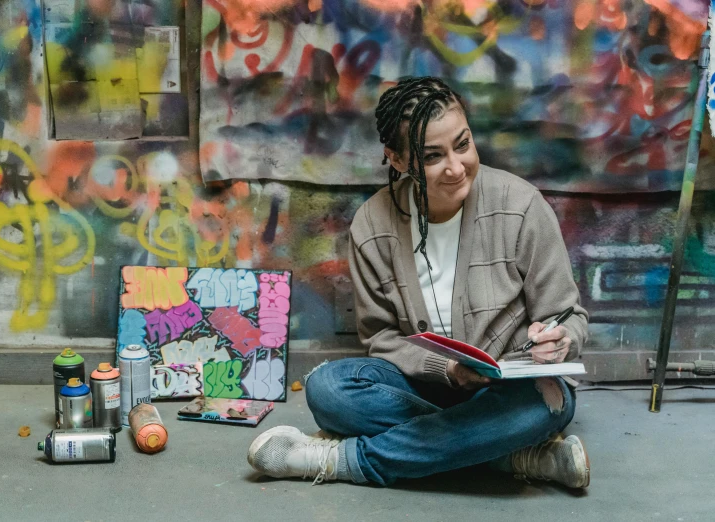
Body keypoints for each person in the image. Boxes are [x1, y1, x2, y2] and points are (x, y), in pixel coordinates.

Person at [247, 76, 590, 489]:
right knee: (328, 389)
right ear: (396, 159)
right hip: (427, 387)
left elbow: (568, 316)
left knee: (545, 402)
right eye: (432, 156)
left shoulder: (521, 205)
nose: (456, 166)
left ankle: (340, 460)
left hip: (511, 393)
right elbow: (380, 337)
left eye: (463, 145)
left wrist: (560, 339)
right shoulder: (373, 225)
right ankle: (509, 454)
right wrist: (445, 368)